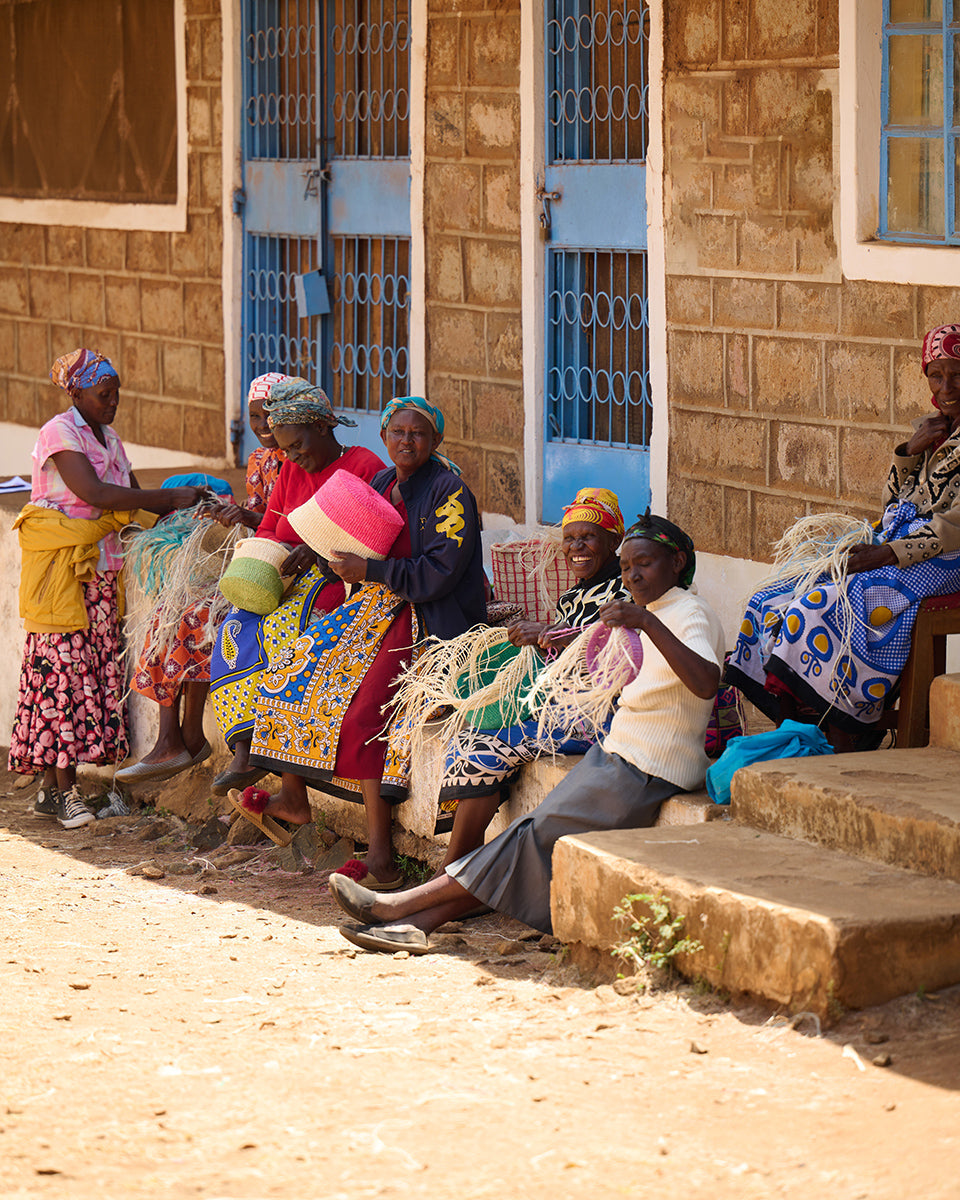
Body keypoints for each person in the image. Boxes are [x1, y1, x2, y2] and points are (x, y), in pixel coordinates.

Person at [327, 513, 726, 952]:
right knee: (528, 838)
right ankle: (417, 924)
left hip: (648, 768)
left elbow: (706, 681)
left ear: (677, 562)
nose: (631, 576)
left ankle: (395, 907)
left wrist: (646, 624)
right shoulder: (651, 612)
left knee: (530, 838)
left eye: (644, 564)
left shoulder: (688, 613)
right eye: (627, 566)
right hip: (619, 754)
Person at [233, 396, 486, 888]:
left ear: (435, 440)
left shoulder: (450, 493)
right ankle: (296, 799)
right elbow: (355, 538)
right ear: (384, 436)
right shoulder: (384, 482)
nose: (406, 441)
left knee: (364, 711)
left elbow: (439, 573)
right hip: (377, 608)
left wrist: (369, 570)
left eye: (418, 433)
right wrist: (325, 558)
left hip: (430, 619)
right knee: (293, 673)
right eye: (397, 432)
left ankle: (381, 856)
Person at [725, 323, 960, 749]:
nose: (947, 387)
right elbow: (892, 504)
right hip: (900, 546)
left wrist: (885, 554)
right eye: (936, 375)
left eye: (958, 374)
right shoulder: (933, 430)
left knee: (827, 605)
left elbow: (952, 528)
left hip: (946, 557)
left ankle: (847, 728)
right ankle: (800, 726)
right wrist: (908, 452)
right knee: (773, 598)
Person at [10, 349, 206, 828]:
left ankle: (51, 791)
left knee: (86, 676)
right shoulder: (60, 433)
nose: (113, 401)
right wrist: (167, 496)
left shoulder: (110, 438)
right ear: (76, 394)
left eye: (116, 392)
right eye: (104, 393)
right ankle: (66, 793)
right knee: (59, 675)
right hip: (63, 569)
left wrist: (188, 508)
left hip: (100, 572)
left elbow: (131, 499)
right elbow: (95, 494)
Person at [422, 487, 630, 867]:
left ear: (614, 541)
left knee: (481, 750)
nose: (576, 547)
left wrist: (550, 635)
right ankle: (461, 868)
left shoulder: (625, 591)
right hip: (562, 703)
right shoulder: (577, 594)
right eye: (569, 538)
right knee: (470, 737)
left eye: (588, 537)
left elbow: (608, 651)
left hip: (597, 715)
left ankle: (455, 871)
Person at [208, 377, 385, 792]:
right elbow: (271, 528)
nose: (292, 457)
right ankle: (245, 746)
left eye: (298, 446)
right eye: (286, 450)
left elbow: (375, 538)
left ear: (322, 426)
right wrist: (259, 565)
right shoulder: (290, 470)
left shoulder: (363, 466)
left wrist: (316, 548)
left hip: (340, 581)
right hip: (290, 577)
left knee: (282, 632)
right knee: (234, 626)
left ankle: (272, 756)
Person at [117, 373, 288, 784]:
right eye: (254, 417)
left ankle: (187, 738)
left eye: (271, 415)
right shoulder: (259, 461)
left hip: (285, 568)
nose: (262, 425)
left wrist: (249, 518)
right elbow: (257, 516)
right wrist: (228, 516)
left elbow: (290, 524)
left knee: (202, 616)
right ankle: (174, 737)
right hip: (255, 559)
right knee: (171, 610)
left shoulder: (299, 458)